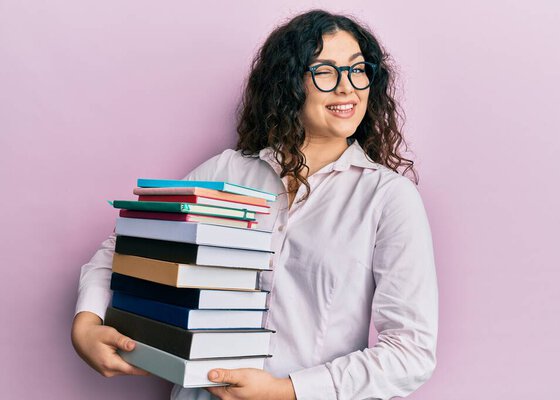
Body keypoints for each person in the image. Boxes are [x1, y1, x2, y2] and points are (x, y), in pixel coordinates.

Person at [71, 9, 438, 400]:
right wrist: (86, 324)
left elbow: (411, 353)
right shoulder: (223, 173)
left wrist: (287, 390)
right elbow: (126, 250)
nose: (347, 87)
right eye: (325, 71)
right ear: (289, 84)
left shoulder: (388, 198)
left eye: (357, 69)